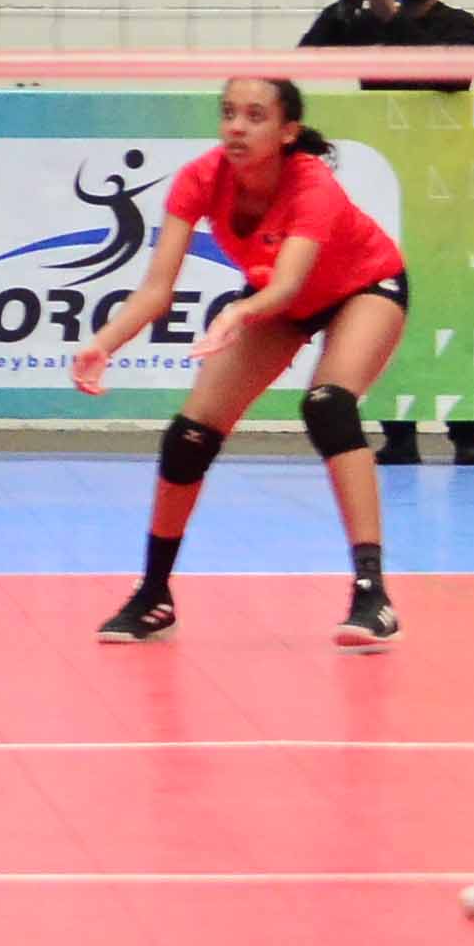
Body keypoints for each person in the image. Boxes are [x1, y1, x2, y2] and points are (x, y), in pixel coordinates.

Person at [73, 75, 409, 650]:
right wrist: (104, 343)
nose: (236, 127)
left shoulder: (312, 186)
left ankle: (372, 593)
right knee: (189, 436)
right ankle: (154, 594)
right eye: (229, 113)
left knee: (328, 406)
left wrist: (236, 313)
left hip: (364, 286)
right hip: (276, 299)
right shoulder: (200, 178)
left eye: (255, 116)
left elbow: (288, 285)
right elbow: (156, 290)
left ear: (288, 131)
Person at [303, 0, 474, 462]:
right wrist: (349, 3)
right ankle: (398, 433)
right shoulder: (366, 23)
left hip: (449, 186)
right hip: (384, 184)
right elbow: (309, 58)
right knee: (383, 303)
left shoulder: (458, 24)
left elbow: (452, 77)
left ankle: (467, 434)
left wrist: (393, 19)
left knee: (454, 302)